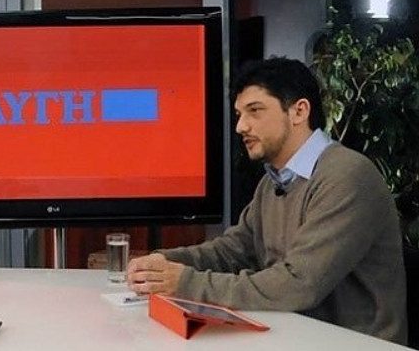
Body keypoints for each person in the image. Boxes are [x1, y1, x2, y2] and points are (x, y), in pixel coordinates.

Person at [127, 57, 407, 344]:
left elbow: (298, 284)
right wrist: (164, 262)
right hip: (297, 337)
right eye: (239, 114)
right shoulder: (274, 181)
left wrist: (184, 282)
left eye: (255, 111)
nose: (240, 126)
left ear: (299, 111)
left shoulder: (347, 176)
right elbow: (233, 251)